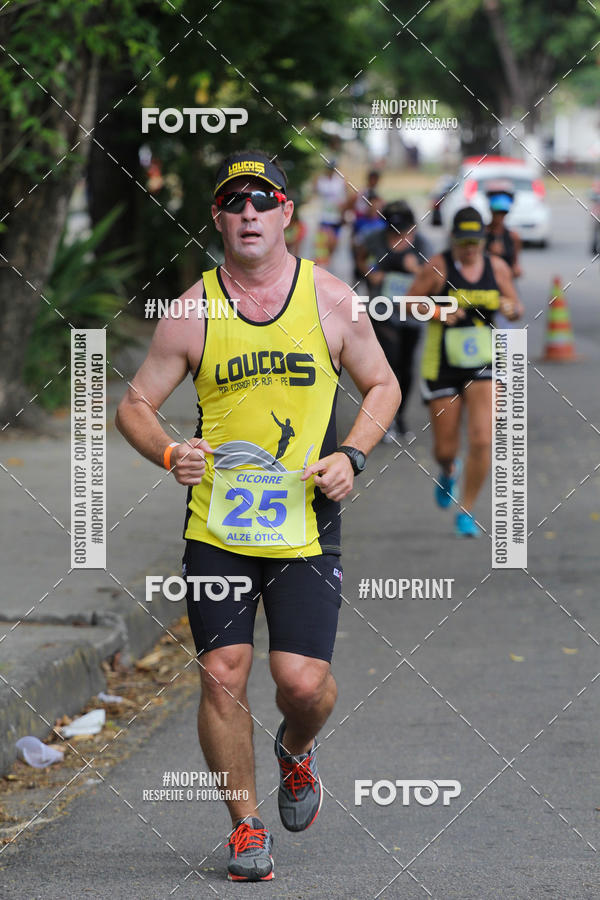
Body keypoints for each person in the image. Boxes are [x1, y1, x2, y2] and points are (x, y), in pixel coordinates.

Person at [115, 149, 400, 882]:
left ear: (285, 216)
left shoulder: (332, 300)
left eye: (261, 202)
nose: (248, 214)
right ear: (217, 218)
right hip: (218, 527)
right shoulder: (192, 310)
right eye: (233, 203)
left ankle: (296, 751)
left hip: (304, 524)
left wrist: (354, 455)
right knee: (222, 672)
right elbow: (135, 405)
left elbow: (383, 388)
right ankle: (245, 829)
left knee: (302, 685)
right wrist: (168, 452)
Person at [407, 207, 523, 537]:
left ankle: (467, 510)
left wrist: (511, 308)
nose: (470, 249)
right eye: (464, 242)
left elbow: (515, 306)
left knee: (483, 438)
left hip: (486, 363)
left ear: (484, 240)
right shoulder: (439, 267)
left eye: (475, 242)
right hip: (441, 365)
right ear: (453, 239)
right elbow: (408, 302)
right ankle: (448, 470)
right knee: (445, 448)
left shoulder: (497, 267)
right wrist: (436, 311)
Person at [356, 200, 432, 441]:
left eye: (403, 229)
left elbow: (435, 277)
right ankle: (383, 421)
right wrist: (371, 273)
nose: (399, 234)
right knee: (389, 364)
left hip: (412, 315)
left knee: (407, 367)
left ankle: (399, 417)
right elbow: (360, 255)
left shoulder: (421, 244)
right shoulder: (375, 240)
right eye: (393, 229)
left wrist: (417, 271)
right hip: (383, 311)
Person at [484, 183, 522, 278]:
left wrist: (515, 270)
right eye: (497, 213)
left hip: (505, 282)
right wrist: (489, 254)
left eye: (503, 213)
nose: (500, 216)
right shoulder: (481, 234)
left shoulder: (513, 237)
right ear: (491, 210)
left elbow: (516, 267)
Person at [314, 161, 346, 267]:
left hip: (336, 217)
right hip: (324, 217)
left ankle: (328, 263)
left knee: (333, 244)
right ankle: (321, 265)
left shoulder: (340, 181)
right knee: (323, 245)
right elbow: (315, 191)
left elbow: (344, 199)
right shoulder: (321, 181)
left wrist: (343, 214)